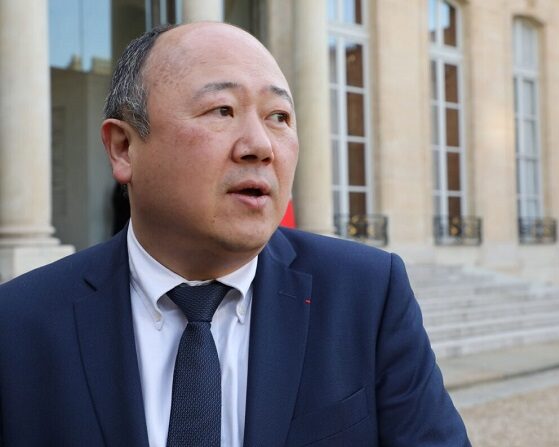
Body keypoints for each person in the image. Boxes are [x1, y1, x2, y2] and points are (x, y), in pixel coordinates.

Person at [0, 22, 471, 446]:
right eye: (222, 110)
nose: (260, 146)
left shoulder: (366, 295)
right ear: (123, 147)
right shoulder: (19, 324)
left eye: (279, 117)